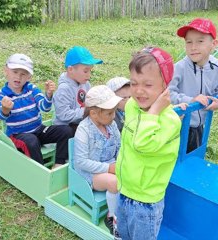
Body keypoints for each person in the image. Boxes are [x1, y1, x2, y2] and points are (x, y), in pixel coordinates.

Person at [115, 47, 182, 240]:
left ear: (165, 86)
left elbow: (141, 145)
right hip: (125, 190)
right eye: (134, 83)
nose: (138, 91)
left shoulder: (169, 121)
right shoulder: (132, 106)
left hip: (146, 202)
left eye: (148, 85)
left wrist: (153, 113)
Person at [0, 53, 73, 169]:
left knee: (66, 131)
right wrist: (5, 109)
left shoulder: (32, 89)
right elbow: (0, 116)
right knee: (31, 141)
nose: (18, 77)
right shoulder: (1, 95)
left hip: (38, 130)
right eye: (15, 72)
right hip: (18, 134)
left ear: (29, 77)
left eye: (23, 74)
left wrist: (49, 95)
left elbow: (44, 108)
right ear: (6, 71)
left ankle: (59, 163)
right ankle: (40, 171)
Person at [73, 85, 122, 238]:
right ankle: (112, 217)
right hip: (90, 173)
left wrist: (120, 162)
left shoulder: (112, 125)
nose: (114, 116)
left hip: (111, 166)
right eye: (109, 113)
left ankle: (124, 210)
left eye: (114, 111)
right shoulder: (84, 129)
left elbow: (120, 147)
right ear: (94, 113)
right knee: (114, 182)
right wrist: (109, 168)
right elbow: (81, 162)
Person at [169, 18, 218, 153]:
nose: (193, 47)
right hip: (179, 123)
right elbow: (168, 93)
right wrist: (190, 100)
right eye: (188, 42)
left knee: (194, 158)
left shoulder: (216, 67)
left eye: (200, 41)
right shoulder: (179, 68)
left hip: (199, 125)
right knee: (175, 160)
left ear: (213, 44)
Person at [53, 46, 103, 133]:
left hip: (80, 124)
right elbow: (63, 115)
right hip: (65, 129)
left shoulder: (86, 84)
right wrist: (86, 111)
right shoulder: (64, 89)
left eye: (90, 71)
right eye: (85, 71)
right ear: (71, 69)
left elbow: (89, 101)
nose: (89, 75)